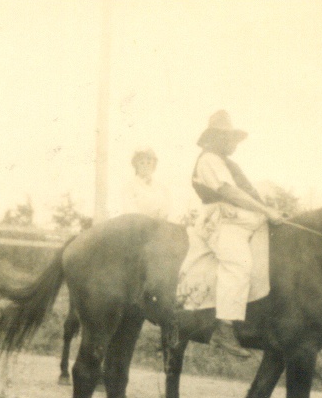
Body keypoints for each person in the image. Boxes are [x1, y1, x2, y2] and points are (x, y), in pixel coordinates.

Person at [191, 110, 285, 358]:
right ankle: (223, 328)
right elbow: (229, 192)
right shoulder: (209, 159)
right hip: (221, 221)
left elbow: (245, 194)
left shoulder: (227, 163)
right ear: (215, 137)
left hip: (240, 221)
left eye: (233, 138)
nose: (233, 143)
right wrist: (264, 209)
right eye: (228, 137)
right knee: (238, 264)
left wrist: (270, 212)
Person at [121, 148, 172, 220]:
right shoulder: (130, 187)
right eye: (142, 163)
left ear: (153, 166)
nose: (146, 166)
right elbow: (130, 212)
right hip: (139, 228)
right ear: (136, 166)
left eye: (149, 162)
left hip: (159, 227)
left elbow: (166, 209)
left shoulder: (162, 189)